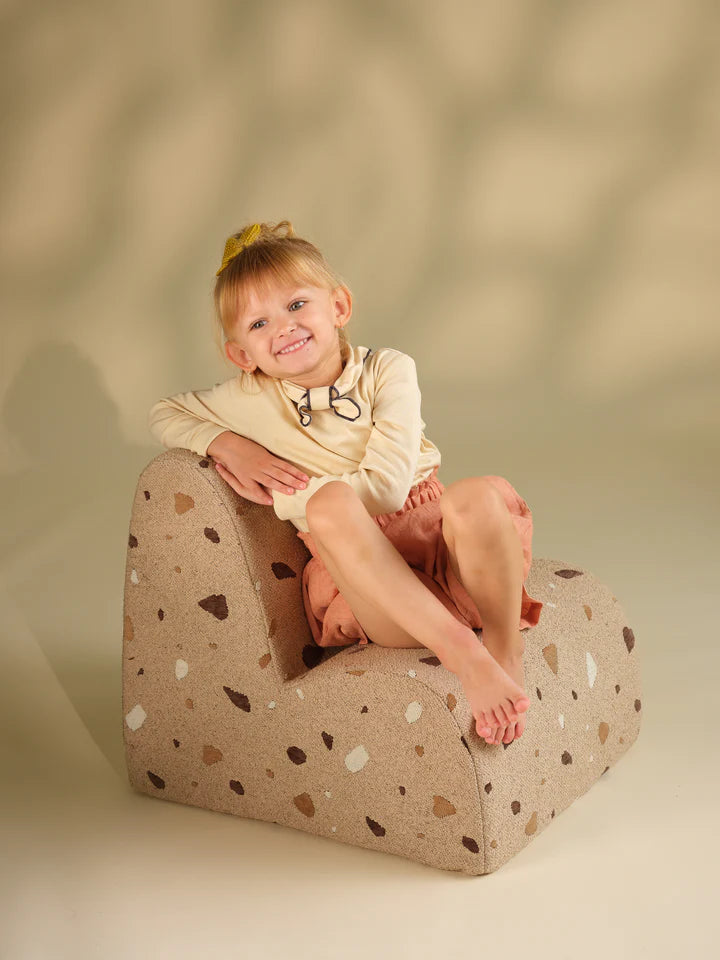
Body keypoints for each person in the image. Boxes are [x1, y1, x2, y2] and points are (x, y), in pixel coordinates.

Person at [148, 220, 543, 746]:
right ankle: (465, 656)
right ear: (243, 355)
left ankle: (503, 645)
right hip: (373, 586)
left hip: (447, 561)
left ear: (339, 307)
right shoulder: (248, 398)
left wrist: (291, 496)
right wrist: (228, 444)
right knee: (331, 505)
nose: (283, 328)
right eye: (259, 324)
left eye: (295, 306)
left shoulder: (388, 371)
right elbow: (164, 413)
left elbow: (384, 489)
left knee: (474, 494)